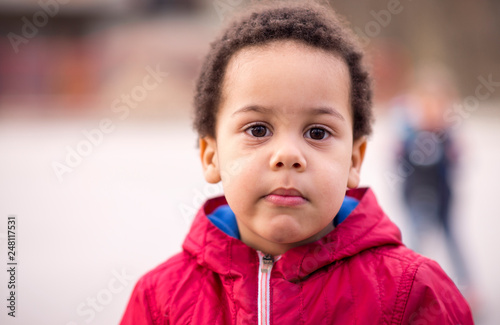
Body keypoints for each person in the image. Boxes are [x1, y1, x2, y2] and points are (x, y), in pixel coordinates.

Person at [120, 2, 473, 324]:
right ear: (211, 156)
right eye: (258, 129)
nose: (288, 155)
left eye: (317, 133)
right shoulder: (158, 302)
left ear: (354, 160)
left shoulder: (415, 295)